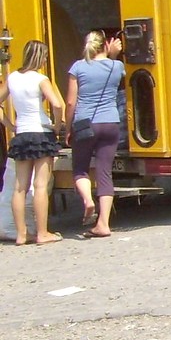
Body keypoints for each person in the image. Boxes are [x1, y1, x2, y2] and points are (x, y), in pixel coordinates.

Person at [0, 39, 66, 244]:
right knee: (40, 185)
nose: (45, 60)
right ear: (40, 57)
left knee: (19, 187)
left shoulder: (12, 78)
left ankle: (21, 234)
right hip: (41, 133)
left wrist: (10, 125)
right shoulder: (41, 79)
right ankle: (42, 233)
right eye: (45, 57)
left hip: (22, 134)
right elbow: (57, 104)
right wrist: (57, 125)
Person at [66, 29, 127, 238]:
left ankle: (88, 201)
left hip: (85, 124)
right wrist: (113, 55)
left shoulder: (78, 67)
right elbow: (113, 72)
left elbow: (71, 102)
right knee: (105, 173)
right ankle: (103, 224)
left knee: (80, 169)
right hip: (110, 123)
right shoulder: (116, 66)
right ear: (106, 44)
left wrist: (68, 128)